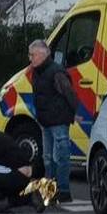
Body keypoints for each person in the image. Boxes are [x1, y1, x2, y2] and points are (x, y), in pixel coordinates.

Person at [28, 39, 77, 203]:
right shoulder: (37, 71)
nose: (31, 58)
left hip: (58, 120)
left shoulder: (56, 72)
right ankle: (50, 189)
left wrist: (72, 114)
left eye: (33, 54)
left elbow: (69, 94)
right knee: (48, 157)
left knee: (60, 156)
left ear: (43, 54)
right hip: (46, 121)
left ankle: (63, 190)